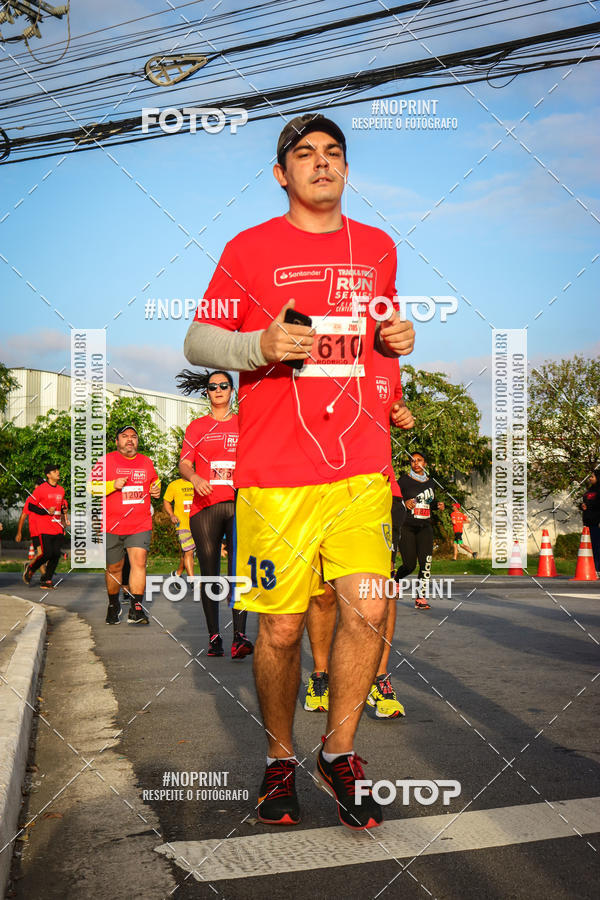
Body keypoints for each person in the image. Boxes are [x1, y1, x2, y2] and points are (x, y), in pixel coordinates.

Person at [183, 113, 415, 829]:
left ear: (346, 170)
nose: (322, 163)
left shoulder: (377, 248)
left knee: (369, 606)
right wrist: (257, 344)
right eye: (305, 154)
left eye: (334, 154)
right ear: (282, 173)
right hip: (275, 477)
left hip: (359, 468)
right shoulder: (247, 248)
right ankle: (281, 755)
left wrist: (399, 337)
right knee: (281, 631)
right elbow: (197, 339)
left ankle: (338, 751)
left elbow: (381, 339)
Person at [304, 355, 414, 720]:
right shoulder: (321, 340)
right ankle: (320, 675)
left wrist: (401, 413)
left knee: (380, 592)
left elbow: (393, 401)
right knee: (322, 593)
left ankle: (378, 678)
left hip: (377, 487)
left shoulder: (386, 353)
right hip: (316, 484)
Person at [178, 369, 253, 660]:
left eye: (224, 385)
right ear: (206, 392)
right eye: (213, 386)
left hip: (237, 505)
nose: (219, 389)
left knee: (238, 571)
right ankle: (214, 637)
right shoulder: (197, 427)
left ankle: (239, 636)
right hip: (204, 507)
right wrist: (194, 478)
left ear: (232, 390)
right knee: (211, 573)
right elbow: (184, 463)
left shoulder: (244, 423)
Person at [89, 425, 161, 625]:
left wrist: (156, 489)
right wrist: (112, 485)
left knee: (139, 562)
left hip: (140, 523)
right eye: (125, 436)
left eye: (134, 436)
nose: (130, 439)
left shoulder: (146, 462)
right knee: (114, 567)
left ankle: (136, 609)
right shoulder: (105, 461)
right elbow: (91, 487)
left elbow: (155, 481)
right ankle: (113, 604)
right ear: (117, 441)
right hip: (112, 524)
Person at [395, 451, 445, 609]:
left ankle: (420, 598)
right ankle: (396, 579)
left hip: (425, 527)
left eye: (419, 460)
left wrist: (437, 505)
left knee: (426, 564)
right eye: (412, 461)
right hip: (407, 526)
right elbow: (393, 499)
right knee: (409, 565)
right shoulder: (403, 480)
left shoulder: (430, 483)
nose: (416, 463)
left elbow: (428, 502)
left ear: (425, 463)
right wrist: (404, 502)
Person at [22, 466, 69, 590]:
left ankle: (46, 580)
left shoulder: (61, 490)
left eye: (57, 471)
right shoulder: (40, 490)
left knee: (55, 554)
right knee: (47, 553)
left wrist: (64, 513)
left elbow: (60, 507)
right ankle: (31, 568)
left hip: (57, 527)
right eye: (54, 471)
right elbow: (31, 507)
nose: (58, 473)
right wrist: (45, 511)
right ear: (48, 475)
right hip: (44, 527)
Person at [163, 476, 195, 579]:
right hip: (182, 524)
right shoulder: (174, 484)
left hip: (198, 523)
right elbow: (166, 501)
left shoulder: (197, 482)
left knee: (187, 552)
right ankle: (192, 581)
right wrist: (172, 515)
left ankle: (177, 574)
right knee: (189, 551)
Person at [15, 478, 46, 580]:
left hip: (47, 530)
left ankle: (30, 565)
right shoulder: (31, 499)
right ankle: (45, 578)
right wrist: (19, 532)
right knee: (41, 554)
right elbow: (23, 516)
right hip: (36, 531)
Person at [580, 467, 600, 573]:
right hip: (588, 522)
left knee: (597, 546)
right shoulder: (589, 490)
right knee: (590, 547)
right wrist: (582, 505)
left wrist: (589, 505)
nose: (590, 479)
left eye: (592, 476)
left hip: (597, 522)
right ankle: (591, 569)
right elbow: (585, 502)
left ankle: (597, 569)